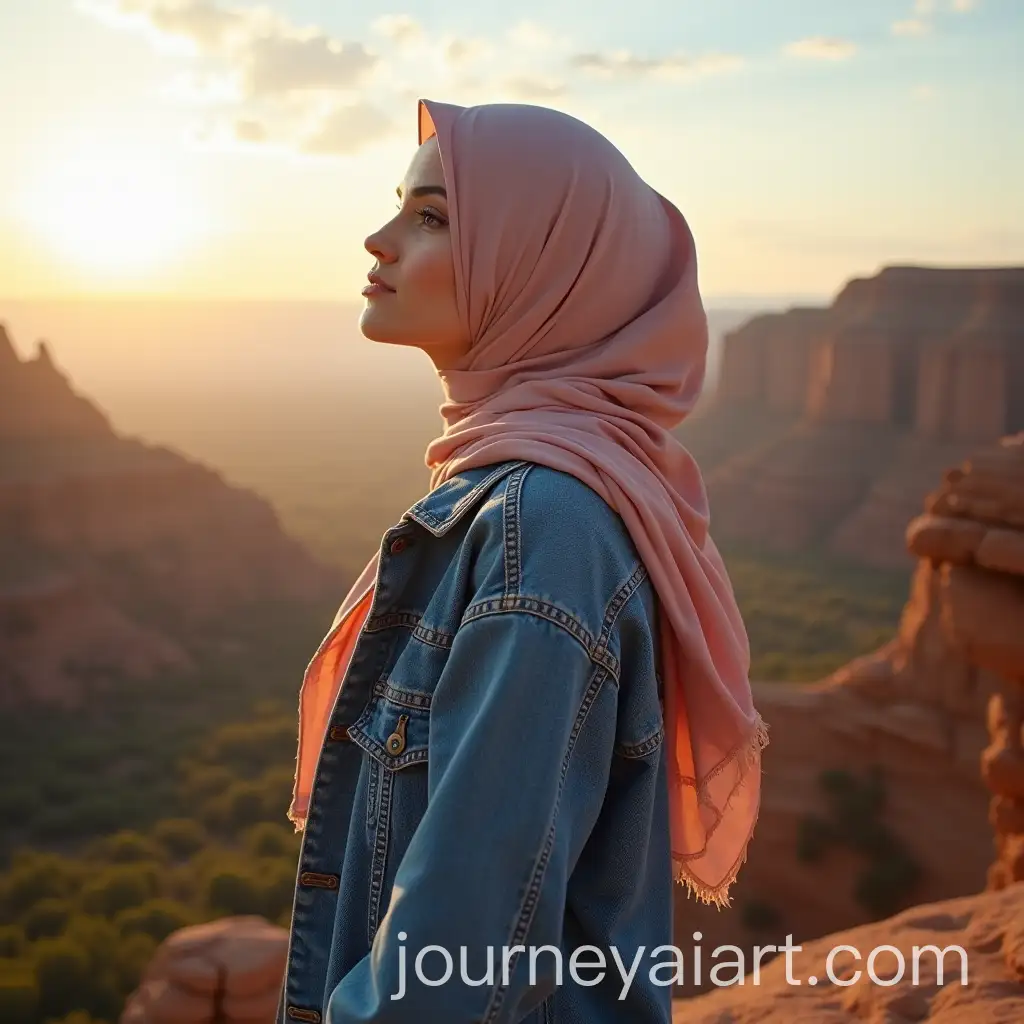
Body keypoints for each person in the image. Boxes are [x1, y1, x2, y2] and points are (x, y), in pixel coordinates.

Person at [277, 98, 767, 1024]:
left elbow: (458, 953)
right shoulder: (524, 491)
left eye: (432, 218)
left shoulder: (541, 526)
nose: (378, 240)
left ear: (543, 268)